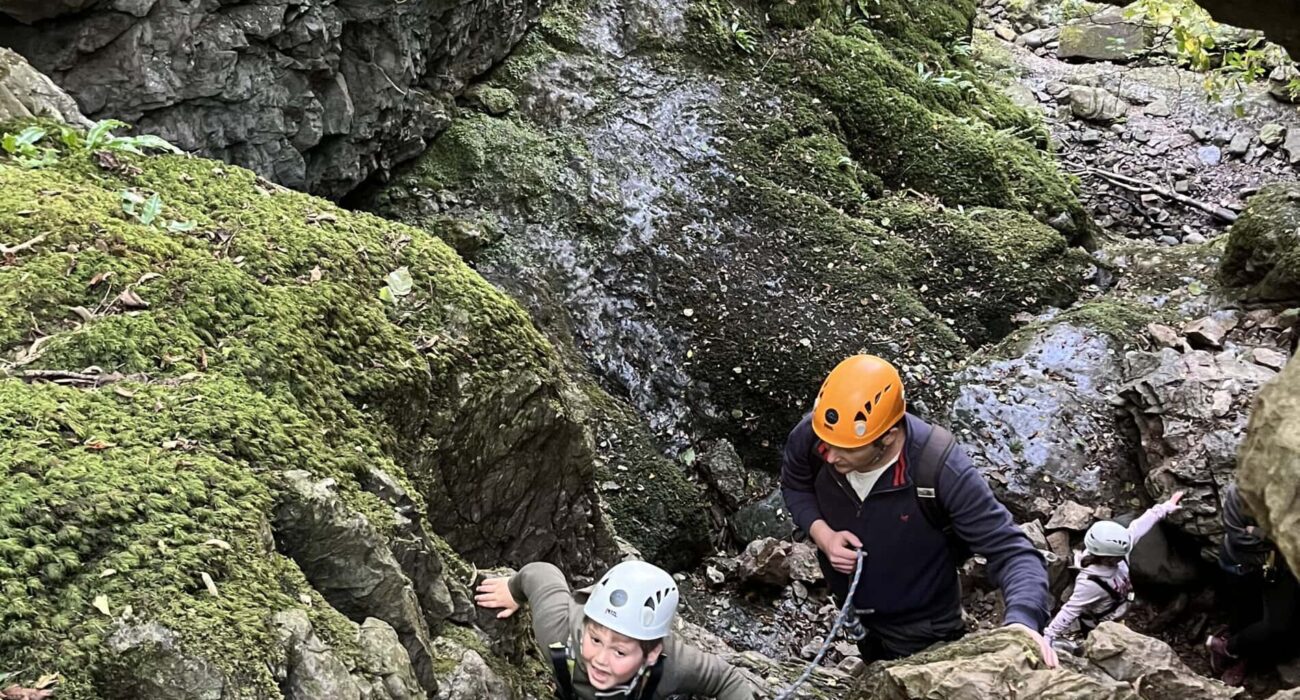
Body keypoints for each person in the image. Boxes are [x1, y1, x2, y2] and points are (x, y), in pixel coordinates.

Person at [780, 354, 1056, 666]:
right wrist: (824, 535)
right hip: (853, 608)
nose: (829, 457)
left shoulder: (940, 468)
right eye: (826, 444)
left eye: (847, 450)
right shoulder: (817, 435)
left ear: (888, 437)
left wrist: (1022, 622)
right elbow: (795, 486)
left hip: (924, 625)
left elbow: (1012, 552)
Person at [476, 559, 755, 700]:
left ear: (651, 653)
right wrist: (513, 589)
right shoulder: (558, 632)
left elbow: (726, 679)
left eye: (620, 651)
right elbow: (542, 575)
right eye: (595, 639)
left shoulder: (672, 666)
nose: (600, 659)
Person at [1044, 492, 1184, 647]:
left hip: (1120, 604)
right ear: (1106, 557)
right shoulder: (1090, 583)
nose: (1123, 557)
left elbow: (1138, 526)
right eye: (1118, 557)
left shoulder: (1118, 548)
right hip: (1104, 621)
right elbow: (1071, 610)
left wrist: (1164, 507)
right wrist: (1049, 636)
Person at [1206, 483, 1300, 687]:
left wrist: (1260, 532)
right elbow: (1239, 537)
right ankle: (1234, 652)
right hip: (1245, 565)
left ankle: (1235, 647)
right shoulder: (1240, 491)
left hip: (1280, 566)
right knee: (1244, 613)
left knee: (1279, 623)